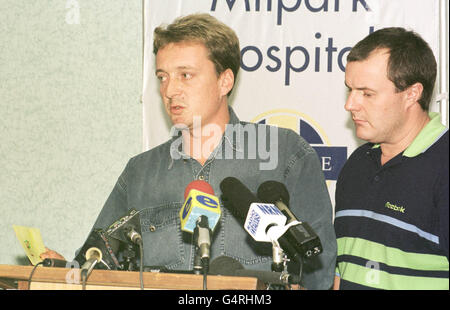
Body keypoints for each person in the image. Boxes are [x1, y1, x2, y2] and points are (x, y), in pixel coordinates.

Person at [42, 13, 336, 289]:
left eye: (185, 75)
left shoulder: (285, 154)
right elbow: (100, 261)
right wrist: (62, 270)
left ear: (225, 81)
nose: (169, 91)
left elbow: (317, 267)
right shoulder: (140, 172)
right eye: (162, 77)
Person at [334, 27, 449, 289]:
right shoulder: (357, 164)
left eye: (367, 93)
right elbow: (342, 271)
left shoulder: (444, 168)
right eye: (350, 90)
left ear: (412, 93)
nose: (350, 104)